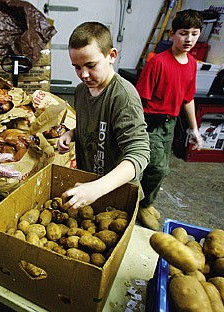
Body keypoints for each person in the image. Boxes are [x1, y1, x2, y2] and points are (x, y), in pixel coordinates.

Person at [57, 22, 150, 213]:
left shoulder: (123, 96)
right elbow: (95, 125)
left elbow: (139, 153)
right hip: (89, 183)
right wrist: (72, 134)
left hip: (116, 190)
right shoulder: (82, 91)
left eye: (91, 65)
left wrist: (97, 188)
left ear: (111, 56)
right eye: (77, 67)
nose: (83, 74)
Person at [135, 9, 204, 230]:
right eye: (184, 33)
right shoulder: (158, 63)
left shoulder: (192, 64)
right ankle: (142, 205)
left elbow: (188, 98)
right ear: (172, 34)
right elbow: (138, 100)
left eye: (194, 34)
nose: (189, 39)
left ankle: (147, 201)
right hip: (151, 122)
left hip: (170, 124)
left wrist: (195, 130)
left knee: (162, 166)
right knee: (157, 168)